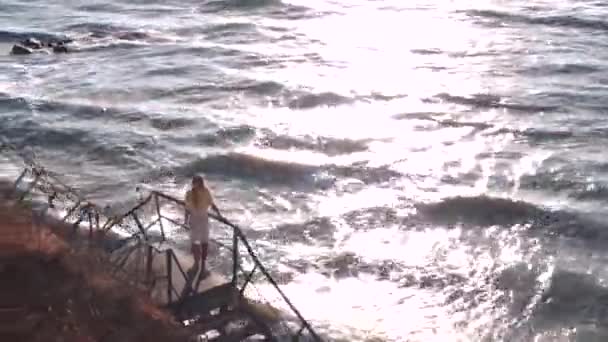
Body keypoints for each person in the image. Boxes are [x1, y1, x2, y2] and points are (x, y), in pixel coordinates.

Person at [184, 175, 220, 280]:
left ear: (193, 183)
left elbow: (187, 210)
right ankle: (203, 269)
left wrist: (185, 221)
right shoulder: (205, 192)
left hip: (194, 221)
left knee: (195, 243)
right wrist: (220, 215)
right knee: (204, 244)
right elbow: (212, 205)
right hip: (203, 221)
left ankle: (196, 265)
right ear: (202, 183)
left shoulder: (189, 194)